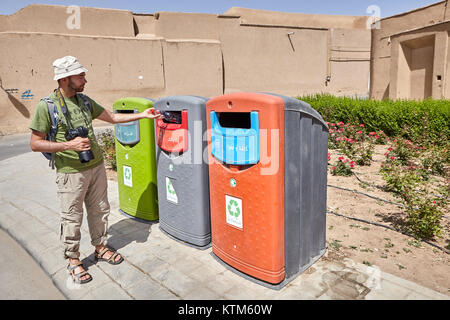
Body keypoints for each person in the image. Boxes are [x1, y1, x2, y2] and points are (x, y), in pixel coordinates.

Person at [29, 56, 162, 284]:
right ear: (65, 78)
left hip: (96, 166)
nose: (85, 79)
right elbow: (35, 143)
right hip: (70, 172)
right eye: (80, 75)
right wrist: (68, 145)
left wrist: (142, 115)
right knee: (72, 216)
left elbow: (111, 117)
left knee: (100, 209)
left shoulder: (85, 102)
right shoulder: (46, 106)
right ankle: (73, 260)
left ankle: (100, 247)